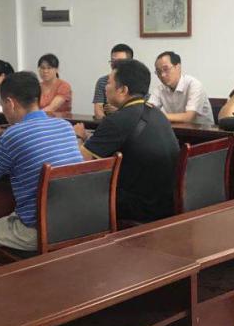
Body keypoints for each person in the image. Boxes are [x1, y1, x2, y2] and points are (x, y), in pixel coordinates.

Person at [0, 72, 82, 261]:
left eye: (2, 104)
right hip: (77, 221)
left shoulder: (13, 135)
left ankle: (4, 279)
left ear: (10, 103)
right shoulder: (65, 126)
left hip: (39, 229)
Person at [74, 59, 179, 223]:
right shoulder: (157, 113)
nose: (105, 87)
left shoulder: (118, 120)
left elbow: (81, 162)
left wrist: (79, 137)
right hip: (166, 204)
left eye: (109, 83)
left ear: (123, 90)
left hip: (138, 208)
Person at [149, 51, 214, 125]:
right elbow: (148, 111)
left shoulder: (194, 84)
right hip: (176, 129)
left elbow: (188, 117)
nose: (162, 75)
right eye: (158, 71)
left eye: (166, 69)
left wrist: (158, 116)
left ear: (178, 67)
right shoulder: (159, 89)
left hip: (202, 131)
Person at [93, 44, 133, 119]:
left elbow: (142, 110)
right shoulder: (102, 81)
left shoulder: (137, 81)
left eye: (120, 61)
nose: (115, 64)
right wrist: (108, 123)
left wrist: (120, 111)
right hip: (108, 122)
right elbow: (98, 111)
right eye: (113, 61)